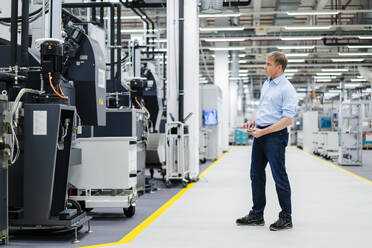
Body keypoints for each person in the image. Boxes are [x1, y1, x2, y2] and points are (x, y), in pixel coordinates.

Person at [236, 51, 297, 231]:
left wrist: (264, 131)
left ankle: (286, 217)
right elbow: (264, 108)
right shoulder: (267, 84)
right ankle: (257, 214)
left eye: (269, 64)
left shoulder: (287, 88)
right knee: (256, 175)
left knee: (279, 177)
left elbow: (288, 120)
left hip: (275, 136)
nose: (265, 67)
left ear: (279, 67)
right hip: (261, 134)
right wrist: (254, 121)